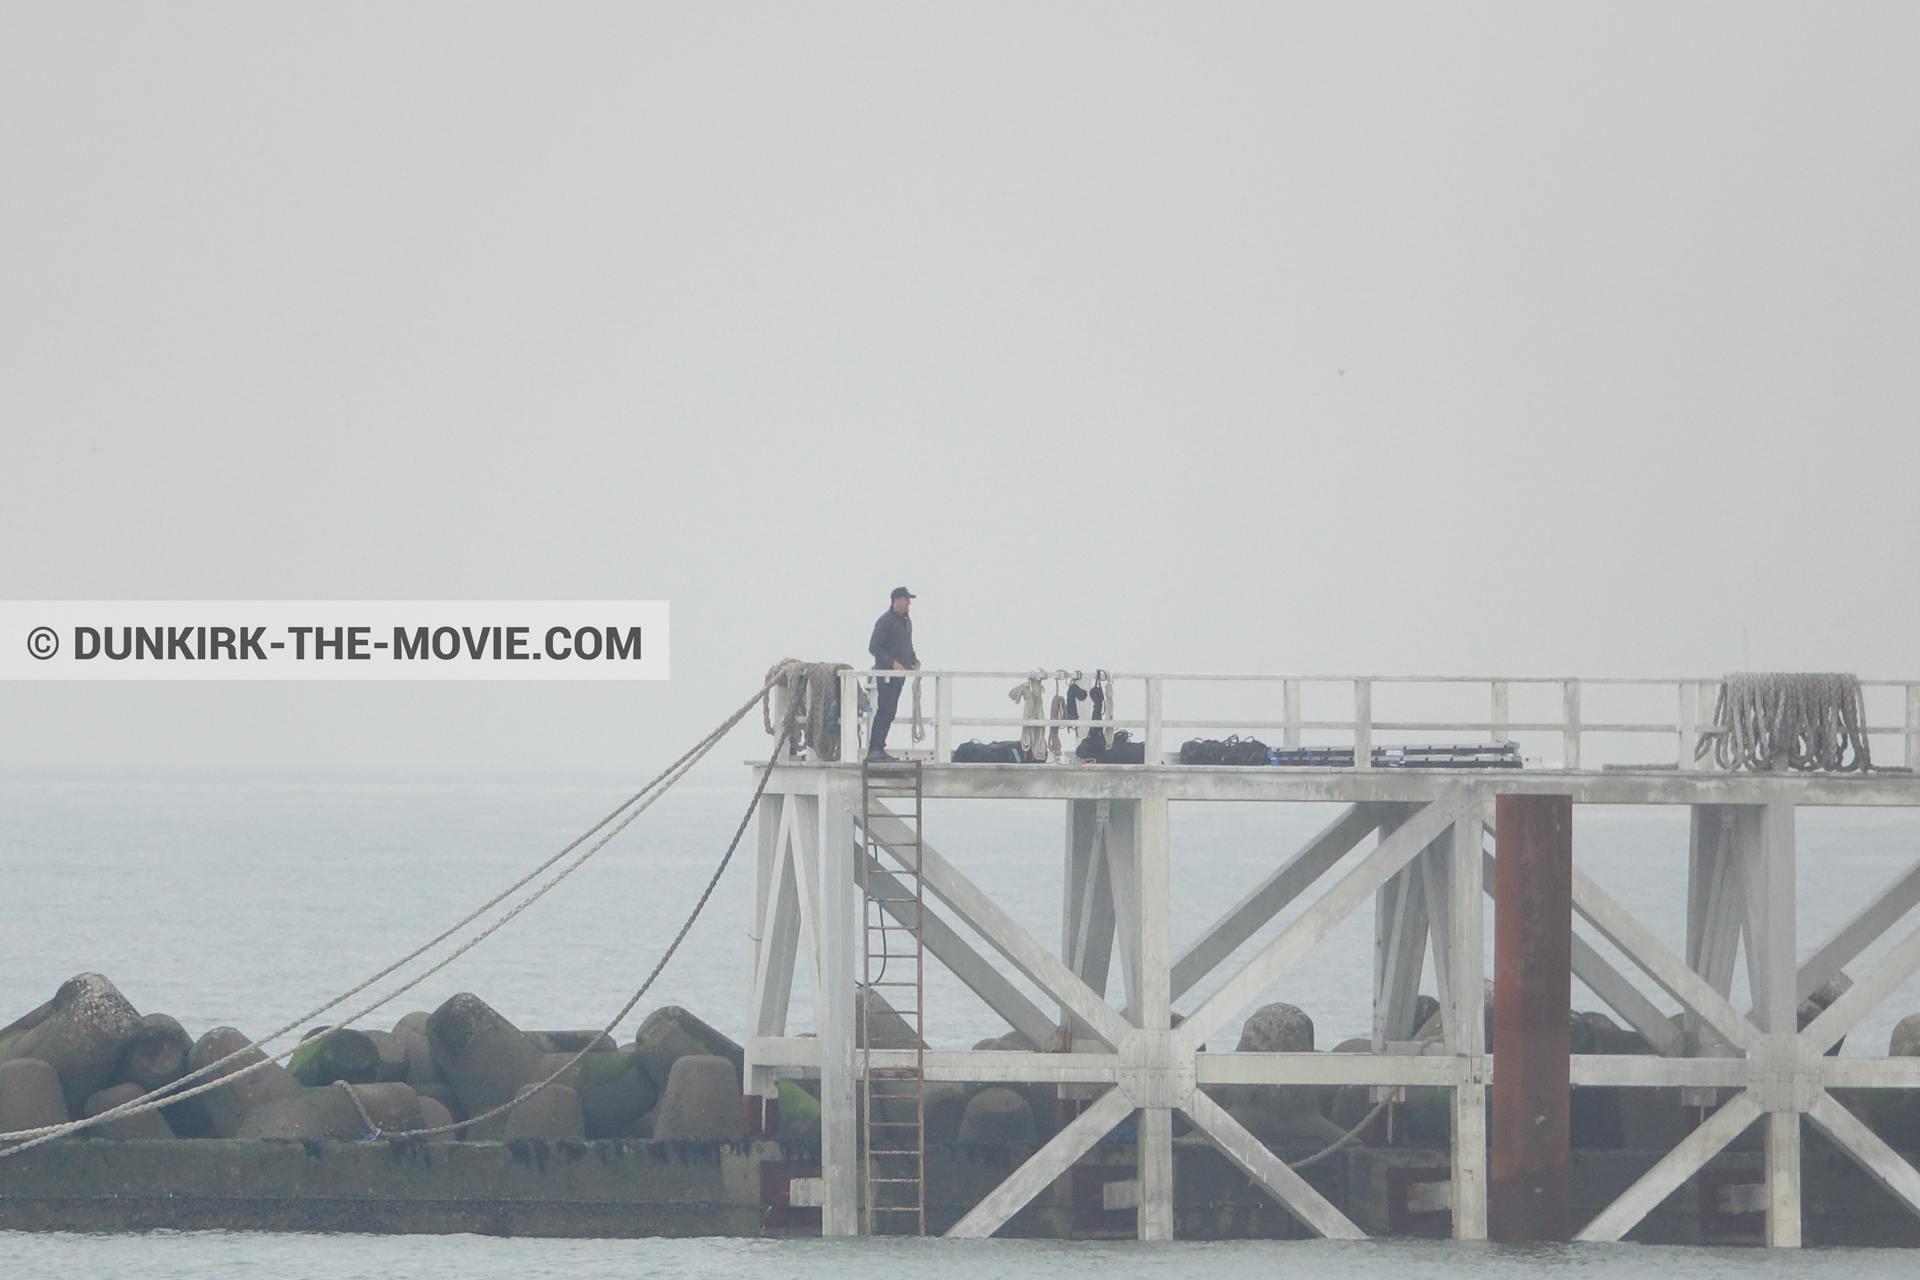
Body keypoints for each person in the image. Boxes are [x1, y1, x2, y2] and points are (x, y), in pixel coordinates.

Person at [865, 587, 919, 761]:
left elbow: (907, 645)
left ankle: (879, 748)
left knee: (890, 710)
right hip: (887, 674)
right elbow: (873, 647)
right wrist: (892, 663)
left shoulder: (906, 621)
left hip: (899, 676)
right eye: (906, 599)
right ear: (896, 600)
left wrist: (914, 661)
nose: (909, 602)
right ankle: (875, 749)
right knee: (885, 709)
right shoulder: (886, 620)